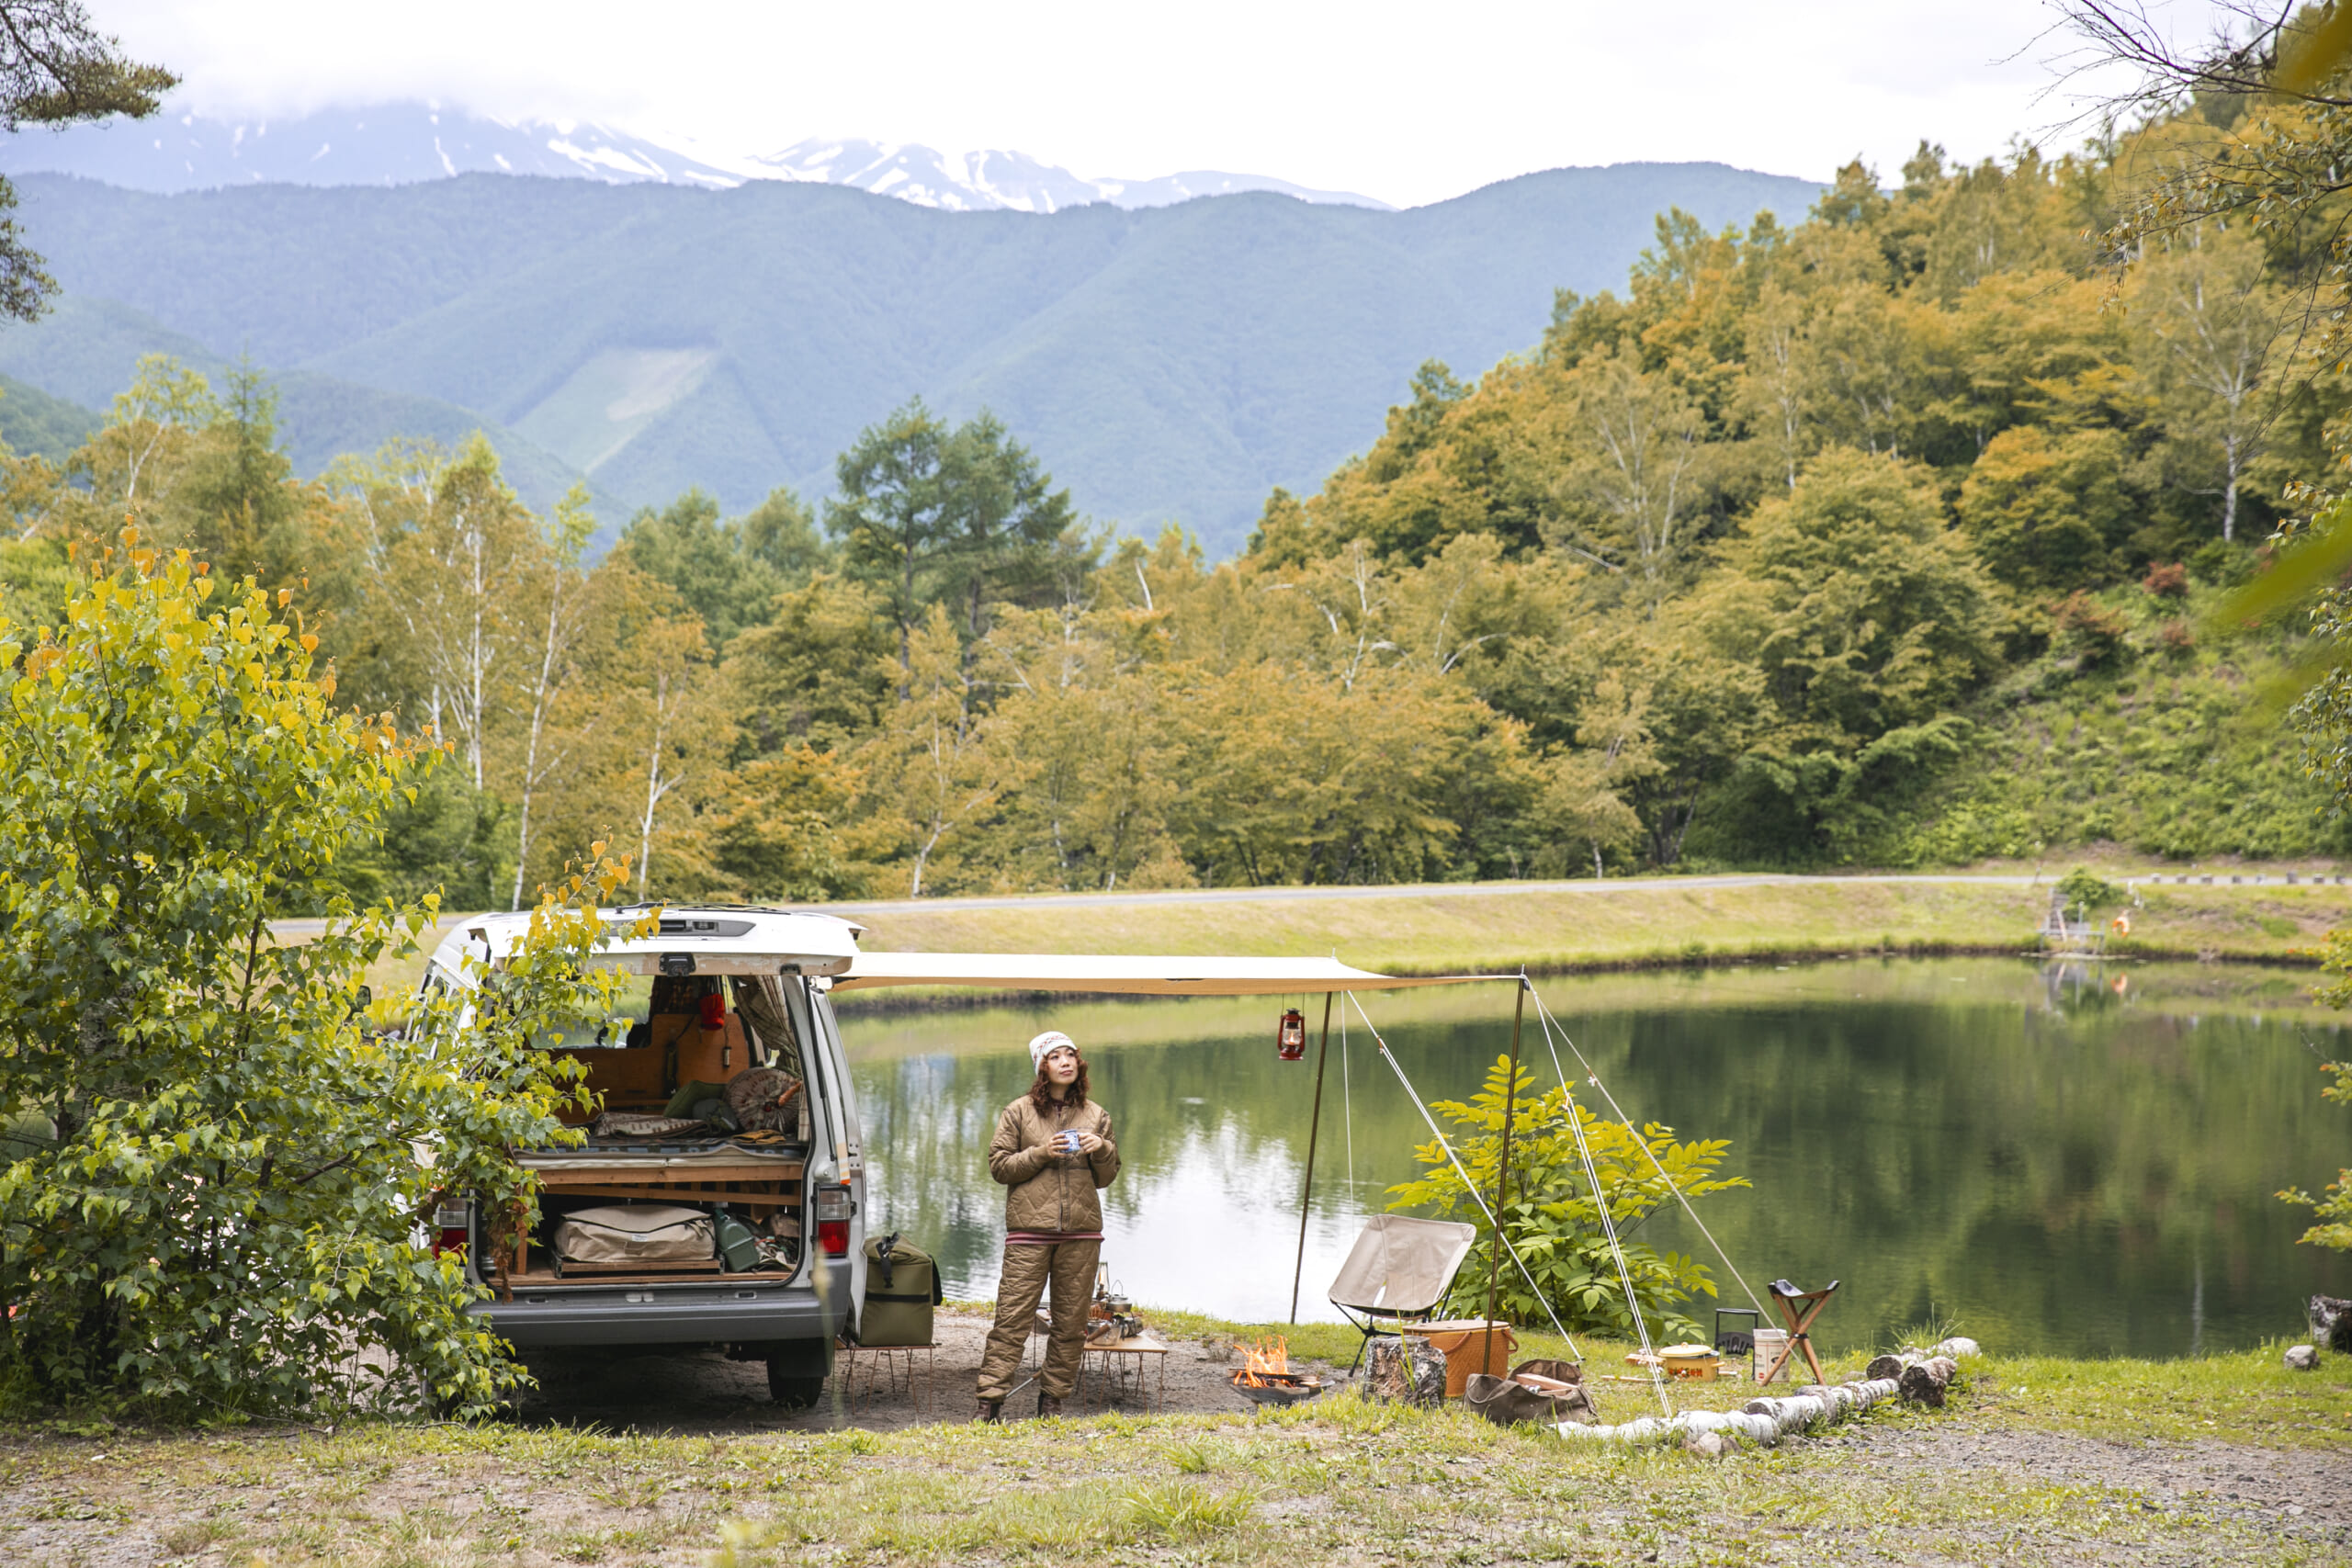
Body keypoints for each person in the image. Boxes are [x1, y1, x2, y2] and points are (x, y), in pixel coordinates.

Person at [974, 1030, 1120, 1421]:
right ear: (1042, 1066)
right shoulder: (1018, 1112)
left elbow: (1106, 1177)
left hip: (1082, 1234)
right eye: (1055, 1056)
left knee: (1071, 1325)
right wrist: (1041, 1152)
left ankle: (1052, 1401)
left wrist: (1102, 1149)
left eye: (1070, 1054)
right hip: (1028, 1234)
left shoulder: (1097, 1115)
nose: (1066, 1062)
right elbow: (1000, 1167)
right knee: (1011, 1319)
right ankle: (990, 1402)